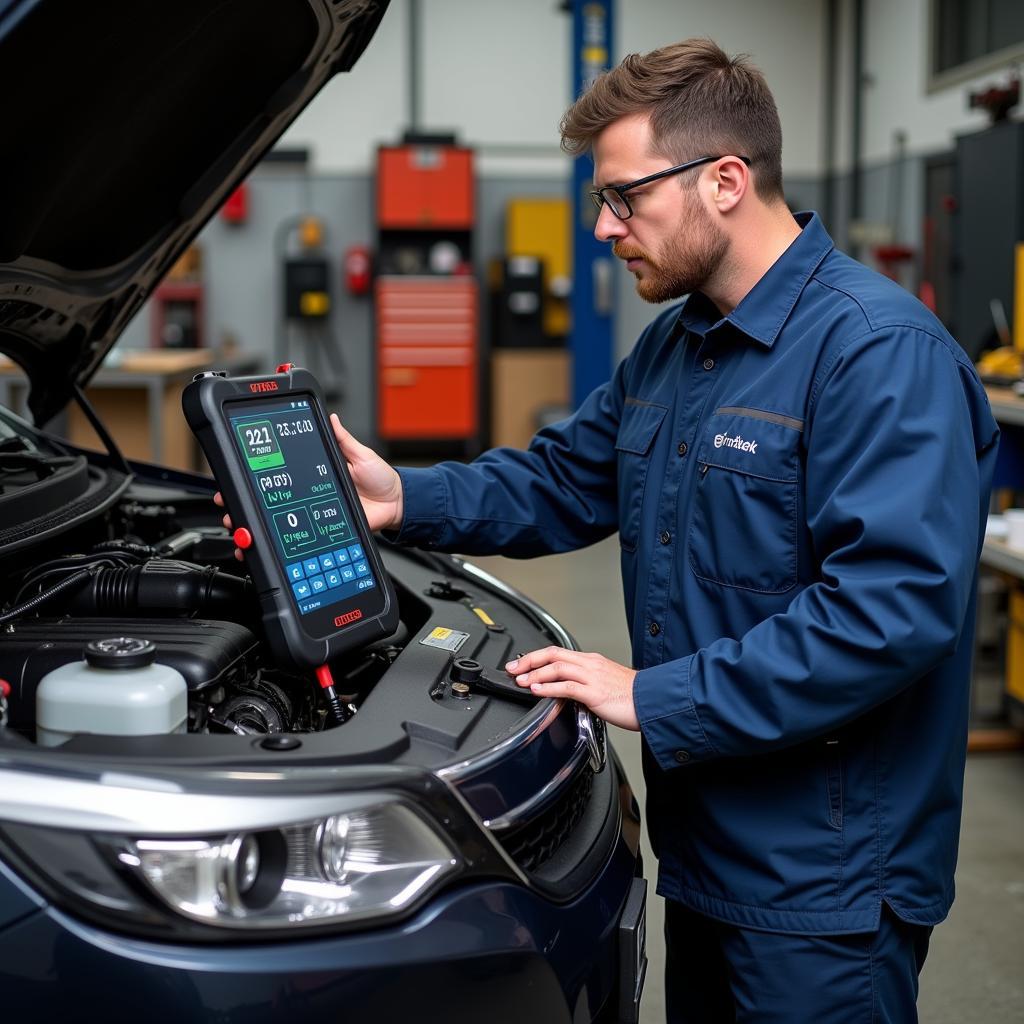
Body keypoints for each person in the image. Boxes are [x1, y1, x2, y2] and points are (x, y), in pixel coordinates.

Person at [225, 38, 999, 1022]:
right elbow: (560, 479)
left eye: (624, 198)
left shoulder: (876, 354)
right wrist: (401, 498)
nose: (603, 227)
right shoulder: (678, 347)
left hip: (826, 885)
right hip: (710, 849)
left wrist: (648, 692)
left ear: (724, 179)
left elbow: (889, 613)